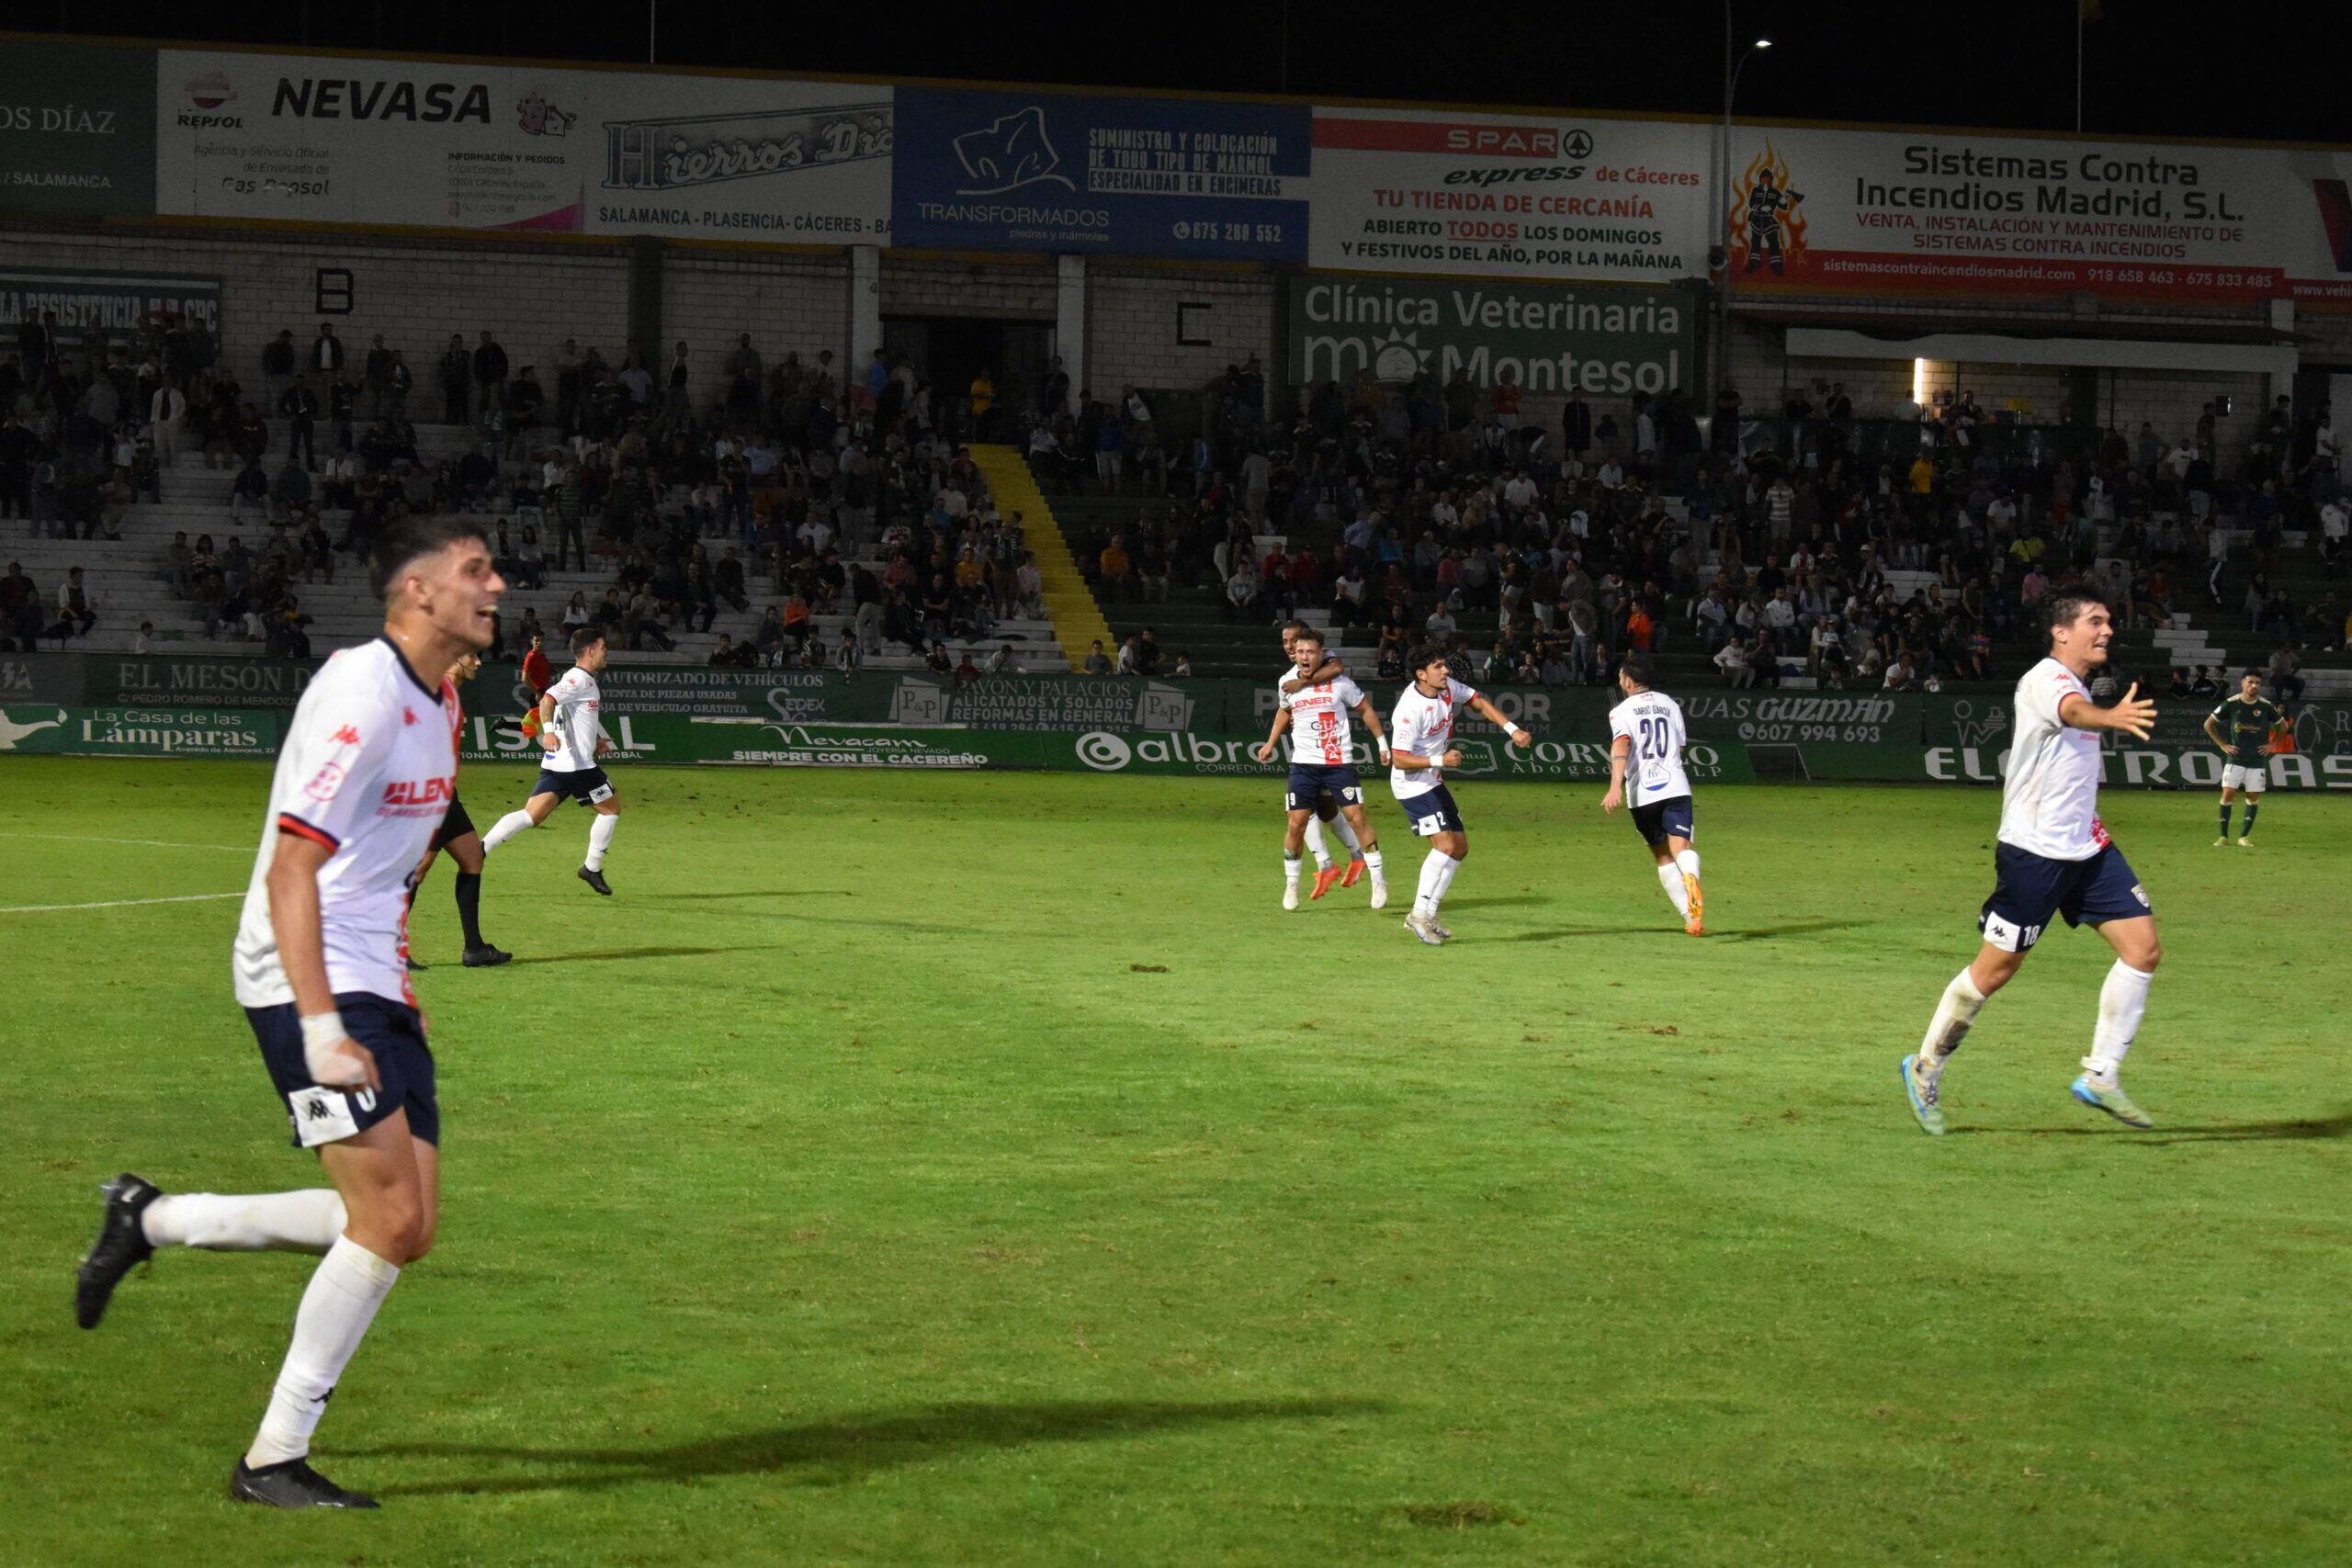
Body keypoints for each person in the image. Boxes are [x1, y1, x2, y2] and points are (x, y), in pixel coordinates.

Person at [74, 515, 504, 1509]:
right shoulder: (361, 692)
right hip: (298, 973)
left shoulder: (439, 701)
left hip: (370, 977)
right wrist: (322, 1023)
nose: (496, 585)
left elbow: (384, 866)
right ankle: (272, 1457)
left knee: (407, 1225)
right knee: (388, 1217)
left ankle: (152, 1218)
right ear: (416, 592)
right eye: (474, 570)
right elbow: (294, 871)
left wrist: (400, 990)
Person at [1900, 587, 2163, 1137]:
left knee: (2143, 950)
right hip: (2034, 853)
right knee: (1996, 970)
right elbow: (2075, 714)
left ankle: (2102, 1075)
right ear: (2061, 632)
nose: (2108, 629)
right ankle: (1925, 1066)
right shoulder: (2046, 679)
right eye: (2096, 620)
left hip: (2087, 847)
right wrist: (2111, 716)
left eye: (2110, 620)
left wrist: (2104, 714)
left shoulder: (2079, 684)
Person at [1386, 644, 1532, 945]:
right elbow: (1399, 758)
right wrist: (1441, 760)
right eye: (1438, 667)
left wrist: (1512, 729)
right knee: (1445, 845)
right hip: (1412, 785)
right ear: (1421, 674)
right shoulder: (1409, 709)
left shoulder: (1447, 688)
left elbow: (1477, 701)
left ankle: (1428, 913)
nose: (1446, 671)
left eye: (1444, 665)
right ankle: (1417, 914)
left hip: (1432, 780)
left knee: (1460, 847)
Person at [1252, 629, 1390, 911]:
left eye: (1310, 652)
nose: (1304, 656)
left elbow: (1364, 709)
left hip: (1339, 762)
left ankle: (1379, 880)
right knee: (1296, 823)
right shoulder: (1286, 683)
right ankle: (1292, 885)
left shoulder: (1339, 682)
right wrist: (1270, 742)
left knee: (1357, 818)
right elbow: (1284, 710)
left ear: (1321, 654)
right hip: (1303, 763)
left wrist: (1382, 744)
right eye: (1300, 652)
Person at [478, 627, 621, 896]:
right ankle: (591, 867)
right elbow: (548, 700)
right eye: (603, 647)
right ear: (590, 650)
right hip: (577, 766)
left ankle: (482, 847)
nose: (606, 651)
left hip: (558, 764)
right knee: (610, 809)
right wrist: (549, 731)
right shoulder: (578, 679)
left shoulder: (583, 680)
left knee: (532, 815)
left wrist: (598, 739)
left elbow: (580, 716)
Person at [401, 653, 513, 970]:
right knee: (418, 869)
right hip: (430, 795)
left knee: (472, 858)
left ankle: (474, 948)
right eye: (472, 656)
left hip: (446, 794)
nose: (479, 662)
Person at [1599, 649, 1705, 937]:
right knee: (1682, 847)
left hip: (1643, 793)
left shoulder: (1620, 712)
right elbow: (1680, 745)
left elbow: (1621, 746)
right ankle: (1692, 877)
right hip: (1676, 786)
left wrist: (1614, 787)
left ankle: (1691, 919)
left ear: (1628, 680)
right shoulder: (1669, 704)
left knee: (1662, 857)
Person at [1276, 619, 1369, 889]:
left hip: (1331, 753)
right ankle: (1333, 861)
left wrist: (1303, 683)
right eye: (1285, 641)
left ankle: (1337, 860)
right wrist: (1271, 742)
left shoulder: (1324, 661)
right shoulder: (1288, 677)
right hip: (1307, 755)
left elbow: (1338, 667)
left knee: (1319, 811)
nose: (1290, 646)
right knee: (1318, 811)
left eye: (1294, 639)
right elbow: (1285, 709)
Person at [2203, 670, 2287, 848]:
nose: (2254, 685)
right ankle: (2223, 836)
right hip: (2236, 759)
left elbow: (2283, 726)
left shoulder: (2266, 706)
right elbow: (2208, 724)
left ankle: (2244, 837)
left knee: (2253, 795)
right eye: (2250, 682)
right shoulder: (2231, 703)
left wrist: (2272, 744)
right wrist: (2222, 745)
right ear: (2243, 683)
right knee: (2228, 794)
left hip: (2257, 760)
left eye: (2257, 682)